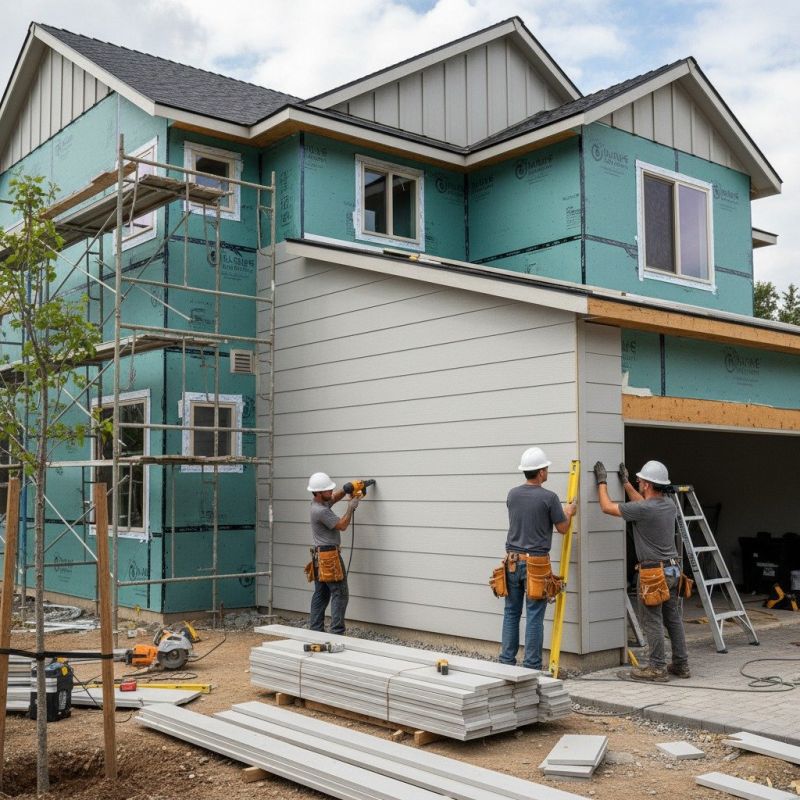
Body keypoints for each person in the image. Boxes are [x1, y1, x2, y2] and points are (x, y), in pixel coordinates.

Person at [593, 459, 690, 682]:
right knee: (672, 619)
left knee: (652, 620)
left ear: (647, 485)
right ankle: (681, 665)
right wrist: (626, 483)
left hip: (653, 574)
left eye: (640, 480)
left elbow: (607, 507)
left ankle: (657, 668)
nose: (638, 481)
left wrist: (602, 481)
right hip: (674, 571)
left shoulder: (645, 509)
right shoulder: (668, 505)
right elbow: (641, 505)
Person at [498, 447, 577, 670]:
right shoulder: (549, 498)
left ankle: (506, 662)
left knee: (512, 612)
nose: (547, 472)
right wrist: (568, 511)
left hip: (512, 561)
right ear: (541, 472)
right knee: (534, 615)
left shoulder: (512, 494)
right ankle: (531, 666)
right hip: (537, 564)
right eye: (546, 469)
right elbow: (562, 528)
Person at [306, 471, 361, 635]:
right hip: (329, 557)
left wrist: (345, 490)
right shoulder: (320, 511)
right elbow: (342, 525)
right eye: (328, 490)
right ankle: (337, 632)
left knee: (321, 593)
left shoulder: (318, 504)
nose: (331, 492)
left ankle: (315, 630)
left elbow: (333, 499)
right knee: (340, 593)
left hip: (319, 557)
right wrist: (350, 507)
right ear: (318, 493)